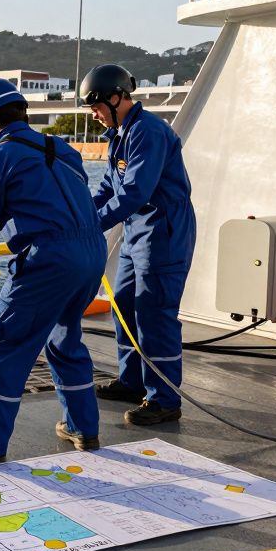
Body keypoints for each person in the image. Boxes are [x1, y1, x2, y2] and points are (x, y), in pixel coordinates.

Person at [0, 78, 108, 464]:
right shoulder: (64, 150)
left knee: (5, 346)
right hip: (92, 252)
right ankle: (83, 427)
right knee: (65, 340)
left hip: (49, 258)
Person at [81, 64, 195, 426]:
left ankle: (164, 398)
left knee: (154, 313)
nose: (95, 115)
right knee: (125, 306)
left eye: (97, 107)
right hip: (136, 233)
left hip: (162, 234)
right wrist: (80, 216)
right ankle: (133, 381)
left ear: (117, 98)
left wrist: (93, 226)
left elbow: (134, 191)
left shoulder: (148, 132)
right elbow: (108, 189)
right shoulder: (119, 134)